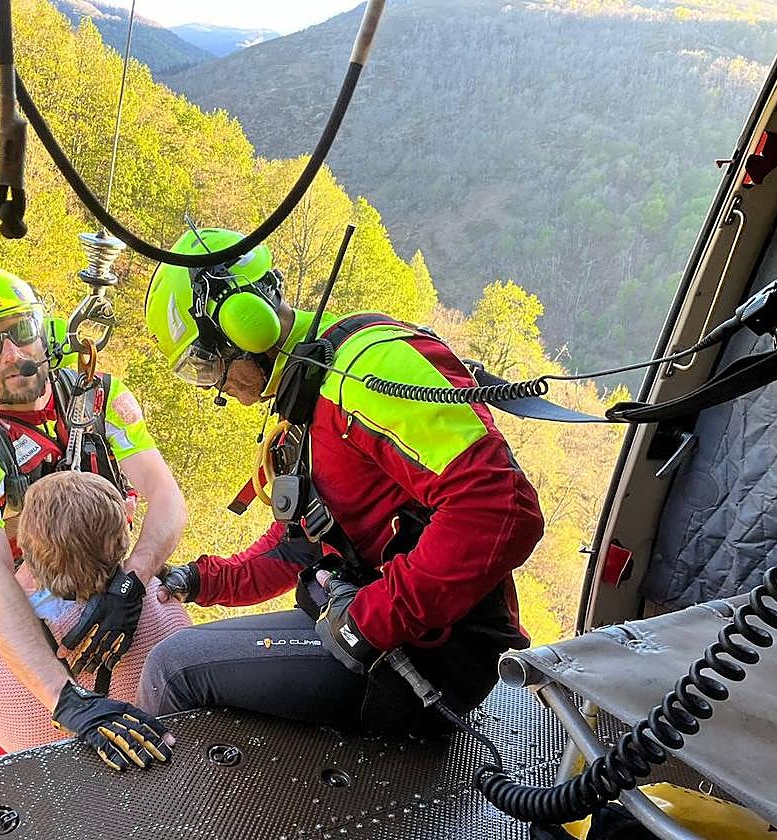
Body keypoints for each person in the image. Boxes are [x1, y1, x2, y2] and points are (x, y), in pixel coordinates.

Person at [136, 228, 545, 735]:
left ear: (244, 326)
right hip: (372, 628)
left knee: (173, 669)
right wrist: (199, 580)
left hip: (429, 657)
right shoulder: (308, 392)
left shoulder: (370, 369)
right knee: (193, 666)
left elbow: (501, 508)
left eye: (205, 365)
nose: (214, 388)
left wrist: (372, 621)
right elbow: (299, 546)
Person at [0, 267, 186, 775]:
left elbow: (166, 497)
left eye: (20, 331)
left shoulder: (99, 397)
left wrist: (133, 580)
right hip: (20, 597)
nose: (12, 354)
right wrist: (66, 701)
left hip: (103, 575)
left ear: (45, 330)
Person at [0, 471, 192, 757]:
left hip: (40, 775)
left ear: (23, 546)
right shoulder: (163, 602)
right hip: (152, 759)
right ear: (123, 540)